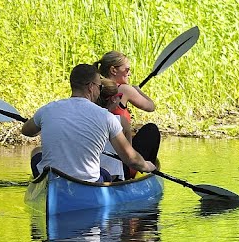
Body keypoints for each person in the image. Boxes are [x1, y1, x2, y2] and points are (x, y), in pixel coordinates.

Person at [22, 63, 155, 182]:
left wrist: (45, 124)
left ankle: (43, 186)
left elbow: (26, 131)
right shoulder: (107, 117)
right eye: (99, 86)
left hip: (51, 179)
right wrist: (147, 165)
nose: (99, 90)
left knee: (37, 151)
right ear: (91, 87)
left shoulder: (47, 109)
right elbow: (130, 159)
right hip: (87, 182)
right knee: (106, 175)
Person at [95, 50, 162, 163]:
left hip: (100, 152)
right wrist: (138, 91)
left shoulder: (94, 87)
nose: (129, 73)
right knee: (151, 130)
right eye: (127, 69)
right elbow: (151, 106)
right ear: (113, 70)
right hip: (121, 158)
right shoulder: (124, 89)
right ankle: (145, 171)